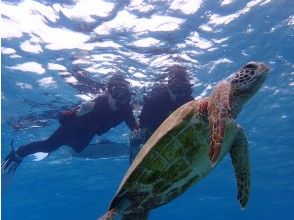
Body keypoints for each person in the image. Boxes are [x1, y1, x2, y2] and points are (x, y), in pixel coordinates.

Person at [2, 75, 138, 174]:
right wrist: (80, 112)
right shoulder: (96, 103)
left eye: (125, 94)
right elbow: (62, 118)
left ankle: (70, 145)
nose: (121, 98)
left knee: (78, 149)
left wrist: (138, 136)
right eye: (117, 92)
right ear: (109, 92)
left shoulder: (126, 109)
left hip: (90, 131)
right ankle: (19, 153)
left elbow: (135, 127)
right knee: (48, 146)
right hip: (73, 127)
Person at [130, 65, 194, 163]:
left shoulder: (190, 102)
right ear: (169, 88)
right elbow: (143, 122)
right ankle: (133, 168)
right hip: (154, 126)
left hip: (175, 130)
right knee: (135, 141)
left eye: (182, 89)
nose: (178, 94)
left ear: (187, 90)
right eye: (174, 89)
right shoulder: (156, 99)